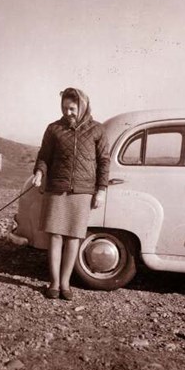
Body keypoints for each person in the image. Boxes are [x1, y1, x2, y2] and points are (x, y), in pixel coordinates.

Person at [32, 87, 110, 300]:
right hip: (57, 188)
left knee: (73, 236)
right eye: (65, 108)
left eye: (72, 108)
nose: (68, 113)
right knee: (55, 235)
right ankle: (54, 283)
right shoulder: (53, 129)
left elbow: (104, 161)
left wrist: (101, 189)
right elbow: (44, 156)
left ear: (83, 106)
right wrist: (39, 173)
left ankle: (66, 283)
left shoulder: (98, 130)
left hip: (83, 191)